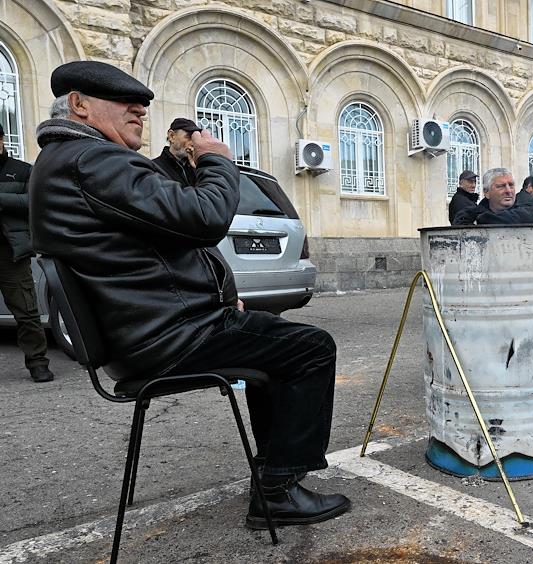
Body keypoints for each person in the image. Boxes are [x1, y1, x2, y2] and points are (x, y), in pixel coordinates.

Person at [28, 61, 350, 527]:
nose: (138, 110)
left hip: (146, 333)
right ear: (78, 105)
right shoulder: (91, 160)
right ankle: (279, 490)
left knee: (275, 343)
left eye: (140, 106)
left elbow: (159, 244)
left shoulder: (69, 162)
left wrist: (221, 299)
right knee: (312, 348)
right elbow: (203, 218)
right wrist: (218, 159)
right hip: (167, 339)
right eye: (124, 104)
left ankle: (277, 481)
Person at [0, 125, 56, 383]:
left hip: (11, 254)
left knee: (27, 312)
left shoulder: (22, 170)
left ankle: (38, 363)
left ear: (1, 140)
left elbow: (34, 203)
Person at [452, 167, 533, 225]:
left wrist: (484, 219)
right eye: (501, 186)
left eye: (511, 185)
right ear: (486, 192)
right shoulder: (469, 213)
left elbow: (530, 218)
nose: (508, 191)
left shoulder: (528, 210)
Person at [151, 118, 202, 187]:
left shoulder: (195, 166)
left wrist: (199, 169)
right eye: (189, 137)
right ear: (171, 136)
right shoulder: (153, 168)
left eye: (195, 138)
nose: (193, 143)